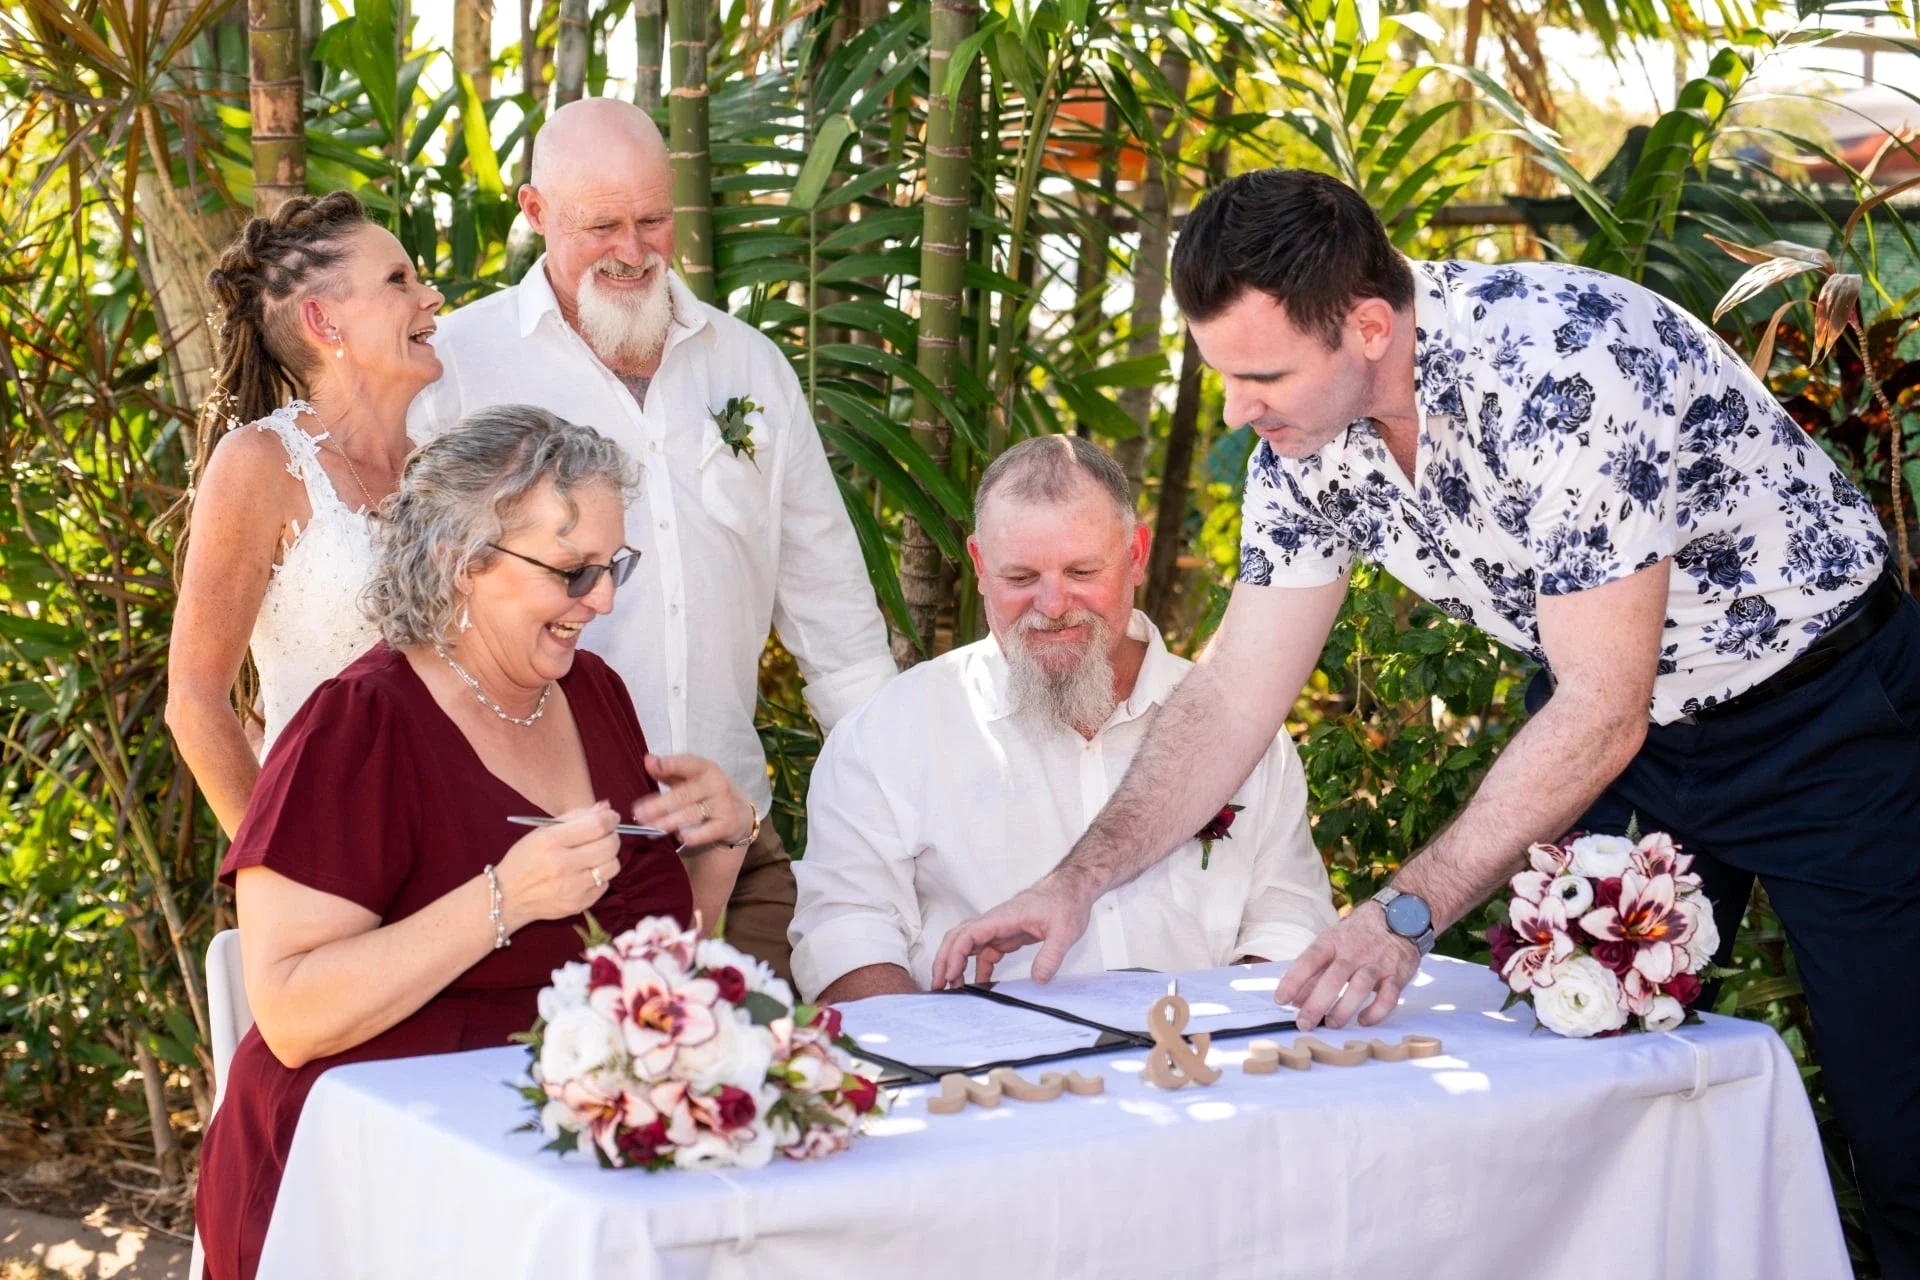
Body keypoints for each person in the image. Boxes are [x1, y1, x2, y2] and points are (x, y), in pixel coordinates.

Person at [932, 168, 1920, 1274]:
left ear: (1367, 324)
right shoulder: (1303, 446)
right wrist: (1075, 879)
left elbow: (1603, 709)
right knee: (1576, 1096)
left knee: (1904, 1126)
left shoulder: (1567, 365)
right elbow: (1231, 694)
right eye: (1222, 374)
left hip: (1826, 721)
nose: (1238, 410)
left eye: (1261, 376)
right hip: (1626, 733)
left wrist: (1403, 912)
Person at [194, 408, 757, 1280]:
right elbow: (292, 1013)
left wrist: (716, 850)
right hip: (372, 1168)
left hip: (571, 1163)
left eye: (613, 567)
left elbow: (660, 967)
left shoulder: (596, 694)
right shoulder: (360, 724)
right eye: (574, 572)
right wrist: (503, 900)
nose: (602, 599)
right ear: (464, 562)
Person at [409, 98, 895, 984]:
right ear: (534, 213)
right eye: (601, 225)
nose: (633, 252)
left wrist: (900, 805)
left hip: (729, 836)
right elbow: (414, 615)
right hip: (532, 851)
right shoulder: (456, 367)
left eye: (653, 220)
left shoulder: (749, 365)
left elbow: (835, 616)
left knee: (765, 1093)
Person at [789, 436, 1335, 1004]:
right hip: (983, 1075)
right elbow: (846, 932)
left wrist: (1234, 1043)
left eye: (1081, 571)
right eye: (1021, 578)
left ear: (1136, 555)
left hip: (1203, 1062)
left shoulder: (1239, 722)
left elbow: (1288, 914)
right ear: (978, 565)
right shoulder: (887, 734)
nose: (1052, 605)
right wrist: (924, 1057)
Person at [167, 192, 441, 834]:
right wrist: (276, 871)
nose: (430, 297)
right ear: (324, 322)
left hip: (456, 839)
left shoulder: (446, 472)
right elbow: (196, 701)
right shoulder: (262, 463)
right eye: (399, 281)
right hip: (328, 838)